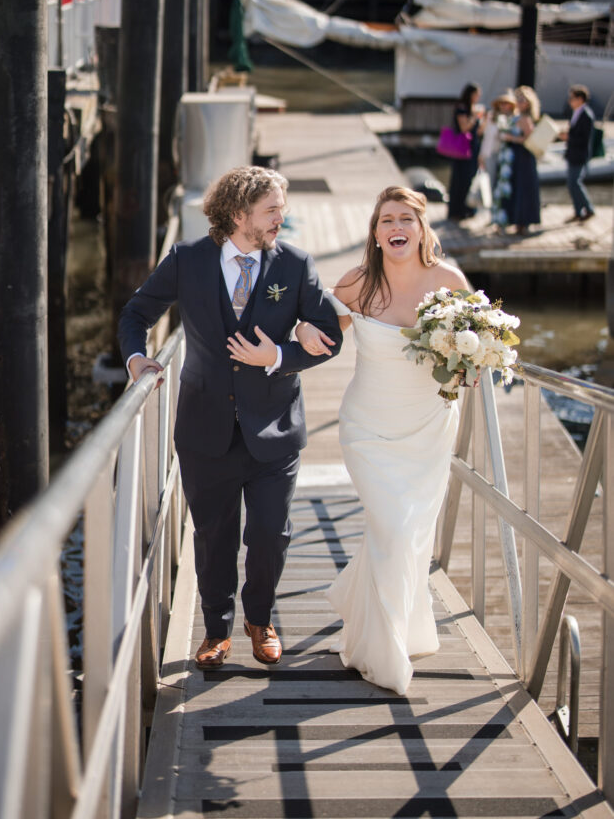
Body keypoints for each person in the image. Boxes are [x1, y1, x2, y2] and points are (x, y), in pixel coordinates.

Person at [118, 166, 343, 670]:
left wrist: (281, 356)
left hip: (275, 429)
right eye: (272, 211)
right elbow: (136, 315)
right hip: (205, 430)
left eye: (281, 210)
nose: (281, 219)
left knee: (270, 533)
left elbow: (331, 334)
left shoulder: (296, 264)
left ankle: (259, 619)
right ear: (238, 214)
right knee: (213, 535)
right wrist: (137, 359)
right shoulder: (187, 260)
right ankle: (216, 628)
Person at [295, 186, 468, 694]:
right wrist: (302, 332)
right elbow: (318, 329)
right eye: (387, 219)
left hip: (428, 429)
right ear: (375, 232)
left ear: (421, 229)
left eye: (406, 219)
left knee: (408, 533)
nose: (396, 226)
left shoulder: (447, 280)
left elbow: (475, 344)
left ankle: (396, 628)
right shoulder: (358, 284)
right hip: (368, 429)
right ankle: (387, 654)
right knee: (392, 529)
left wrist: (473, 367)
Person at [492, 85, 541, 236]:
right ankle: (512, 220)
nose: (519, 102)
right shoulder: (514, 117)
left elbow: (529, 139)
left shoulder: (525, 119)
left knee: (522, 188)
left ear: (528, 103)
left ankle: (523, 221)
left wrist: (510, 138)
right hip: (512, 157)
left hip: (523, 157)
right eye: (518, 99)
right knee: (513, 188)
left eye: (522, 100)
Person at [447, 82, 485, 221]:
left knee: (470, 178)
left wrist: (483, 120)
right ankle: (457, 211)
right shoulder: (462, 109)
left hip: (473, 148)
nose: (478, 97)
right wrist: (475, 117)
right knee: (460, 179)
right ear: (470, 95)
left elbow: (479, 132)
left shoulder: (472, 109)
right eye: (476, 95)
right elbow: (464, 128)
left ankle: (469, 208)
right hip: (462, 150)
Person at [559, 84, 595, 222]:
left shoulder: (586, 115)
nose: (570, 101)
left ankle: (588, 209)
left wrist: (569, 137)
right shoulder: (577, 112)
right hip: (573, 153)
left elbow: (584, 138)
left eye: (572, 98)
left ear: (580, 99)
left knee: (575, 182)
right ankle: (579, 211)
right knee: (571, 183)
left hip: (579, 154)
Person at [479, 88, 517, 192]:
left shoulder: (513, 119)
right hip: (491, 154)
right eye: (502, 103)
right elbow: (486, 137)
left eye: (506, 103)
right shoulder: (491, 116)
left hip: (506, 155)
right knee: (491, 183)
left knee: (504, 183)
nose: (504, 106)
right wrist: (482, 155)